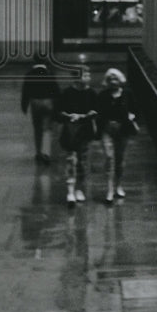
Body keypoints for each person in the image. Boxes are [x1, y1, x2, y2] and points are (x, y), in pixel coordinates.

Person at [54, 64, 98, 207]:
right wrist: (69, 116)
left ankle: (79, 187)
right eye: (85, 75)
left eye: (88, 75)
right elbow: (58, 112)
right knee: (71, 160)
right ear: (77, 77)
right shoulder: (67, 93)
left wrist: (88, 115)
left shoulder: (91, 93)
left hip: (84, 131)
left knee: (83, 161)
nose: (88, 78)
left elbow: (97, 110)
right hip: (71, 130)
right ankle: (71, 190)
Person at [97, 67, 139, 204]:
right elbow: (99, 114)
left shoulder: (127, 94)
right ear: (107, 81)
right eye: (110, 79)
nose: (113, 81)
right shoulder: (102, 96)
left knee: (120, 160)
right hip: (107, 130)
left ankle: (118, 185)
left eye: (115, 79)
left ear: (120, 80)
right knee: (109, 158)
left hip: (123, 130)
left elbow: (135, 110)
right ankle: (109, 189)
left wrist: (132, 116)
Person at [20, 52, 60, 165]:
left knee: (37, 129)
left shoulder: (29, 74)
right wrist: (58, 106)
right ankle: (46, 153)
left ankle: (38, 153)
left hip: (35, 103)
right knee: (47, 129)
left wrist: (24, 106)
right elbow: (56, 91)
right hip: (48, 103)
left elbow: (25, 92)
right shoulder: (50, 73)